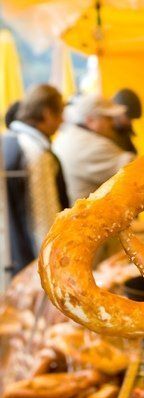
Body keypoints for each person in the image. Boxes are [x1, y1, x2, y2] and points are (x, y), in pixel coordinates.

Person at [2, 84, 68, 274]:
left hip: (10, 259)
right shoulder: (35, 152)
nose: (62, 121)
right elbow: (44, 217)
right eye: (60, 114)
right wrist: (52, 268)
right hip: (31, 264)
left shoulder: (7, 140)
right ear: (47, 113)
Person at [53, 93, 136, 205]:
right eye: (108, 118)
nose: (112, 123)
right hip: (91, 214)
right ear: (90, 120)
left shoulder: (67, 135)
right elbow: (135, 170)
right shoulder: (92, 146)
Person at [111, 88, 142, 154]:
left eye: (131, 119)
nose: (130, 122)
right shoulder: (106, 131)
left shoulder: (124, 129)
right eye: (128, 118)